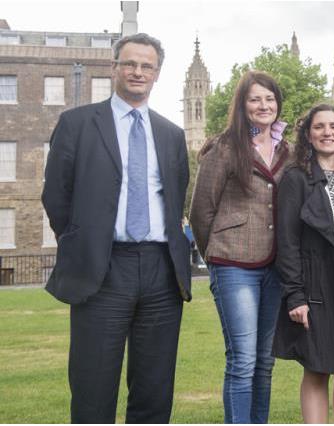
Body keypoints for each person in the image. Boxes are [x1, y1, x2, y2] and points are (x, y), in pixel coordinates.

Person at [41, 33, 191, 423]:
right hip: (103, 268)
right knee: (93, 388)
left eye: (146, 66)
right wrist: (80, 242)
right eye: (130, 63)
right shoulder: (76, 124)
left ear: (156, 74)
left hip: (161, 271)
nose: (137, 72)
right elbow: (56, 195)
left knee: (155, 390)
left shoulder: (172, 135)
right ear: (114, 68)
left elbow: (176, 196)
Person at [189, 70, 290, 423]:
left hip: (275, 266)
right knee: (242, 360)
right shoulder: (225, 146)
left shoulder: (288, 150)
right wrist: (216, 255)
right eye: (255, 99)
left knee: (264, 362)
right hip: (233, 264)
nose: (263, 105)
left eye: (269, 99)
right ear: (243, 105)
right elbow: (201, 209)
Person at [272, 104, 334, 423]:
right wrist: (295, 295)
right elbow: (286, 241)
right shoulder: (296, 178)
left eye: (333, 126)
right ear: (308, 134)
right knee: (317, 369)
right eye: (319, 127)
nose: (327, 133)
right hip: (316, 288)